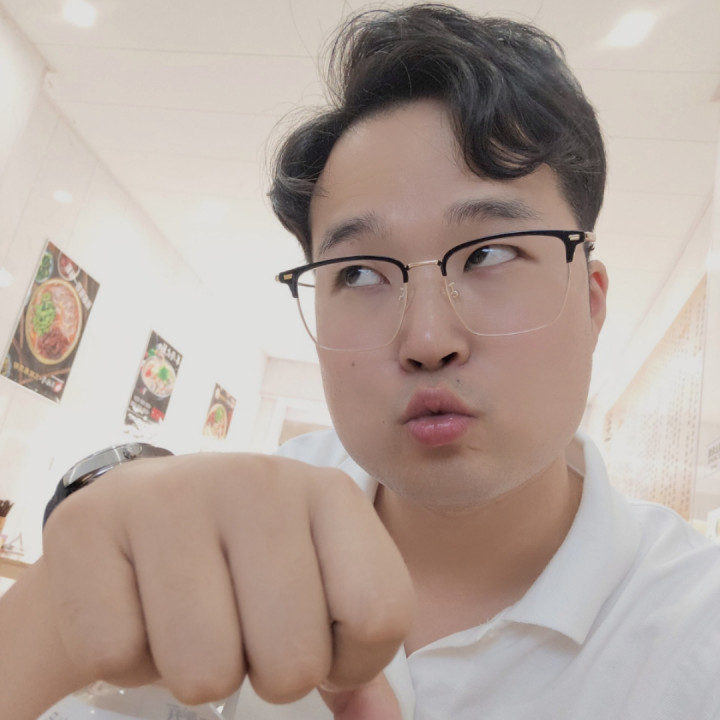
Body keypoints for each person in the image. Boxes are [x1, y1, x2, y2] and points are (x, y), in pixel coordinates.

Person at [3, 4, 720, 719]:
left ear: (590, 303)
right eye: (360, 273)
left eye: (490, 254)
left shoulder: (696, 631)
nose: (427, 339)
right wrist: (53, 608)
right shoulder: (238, 544)